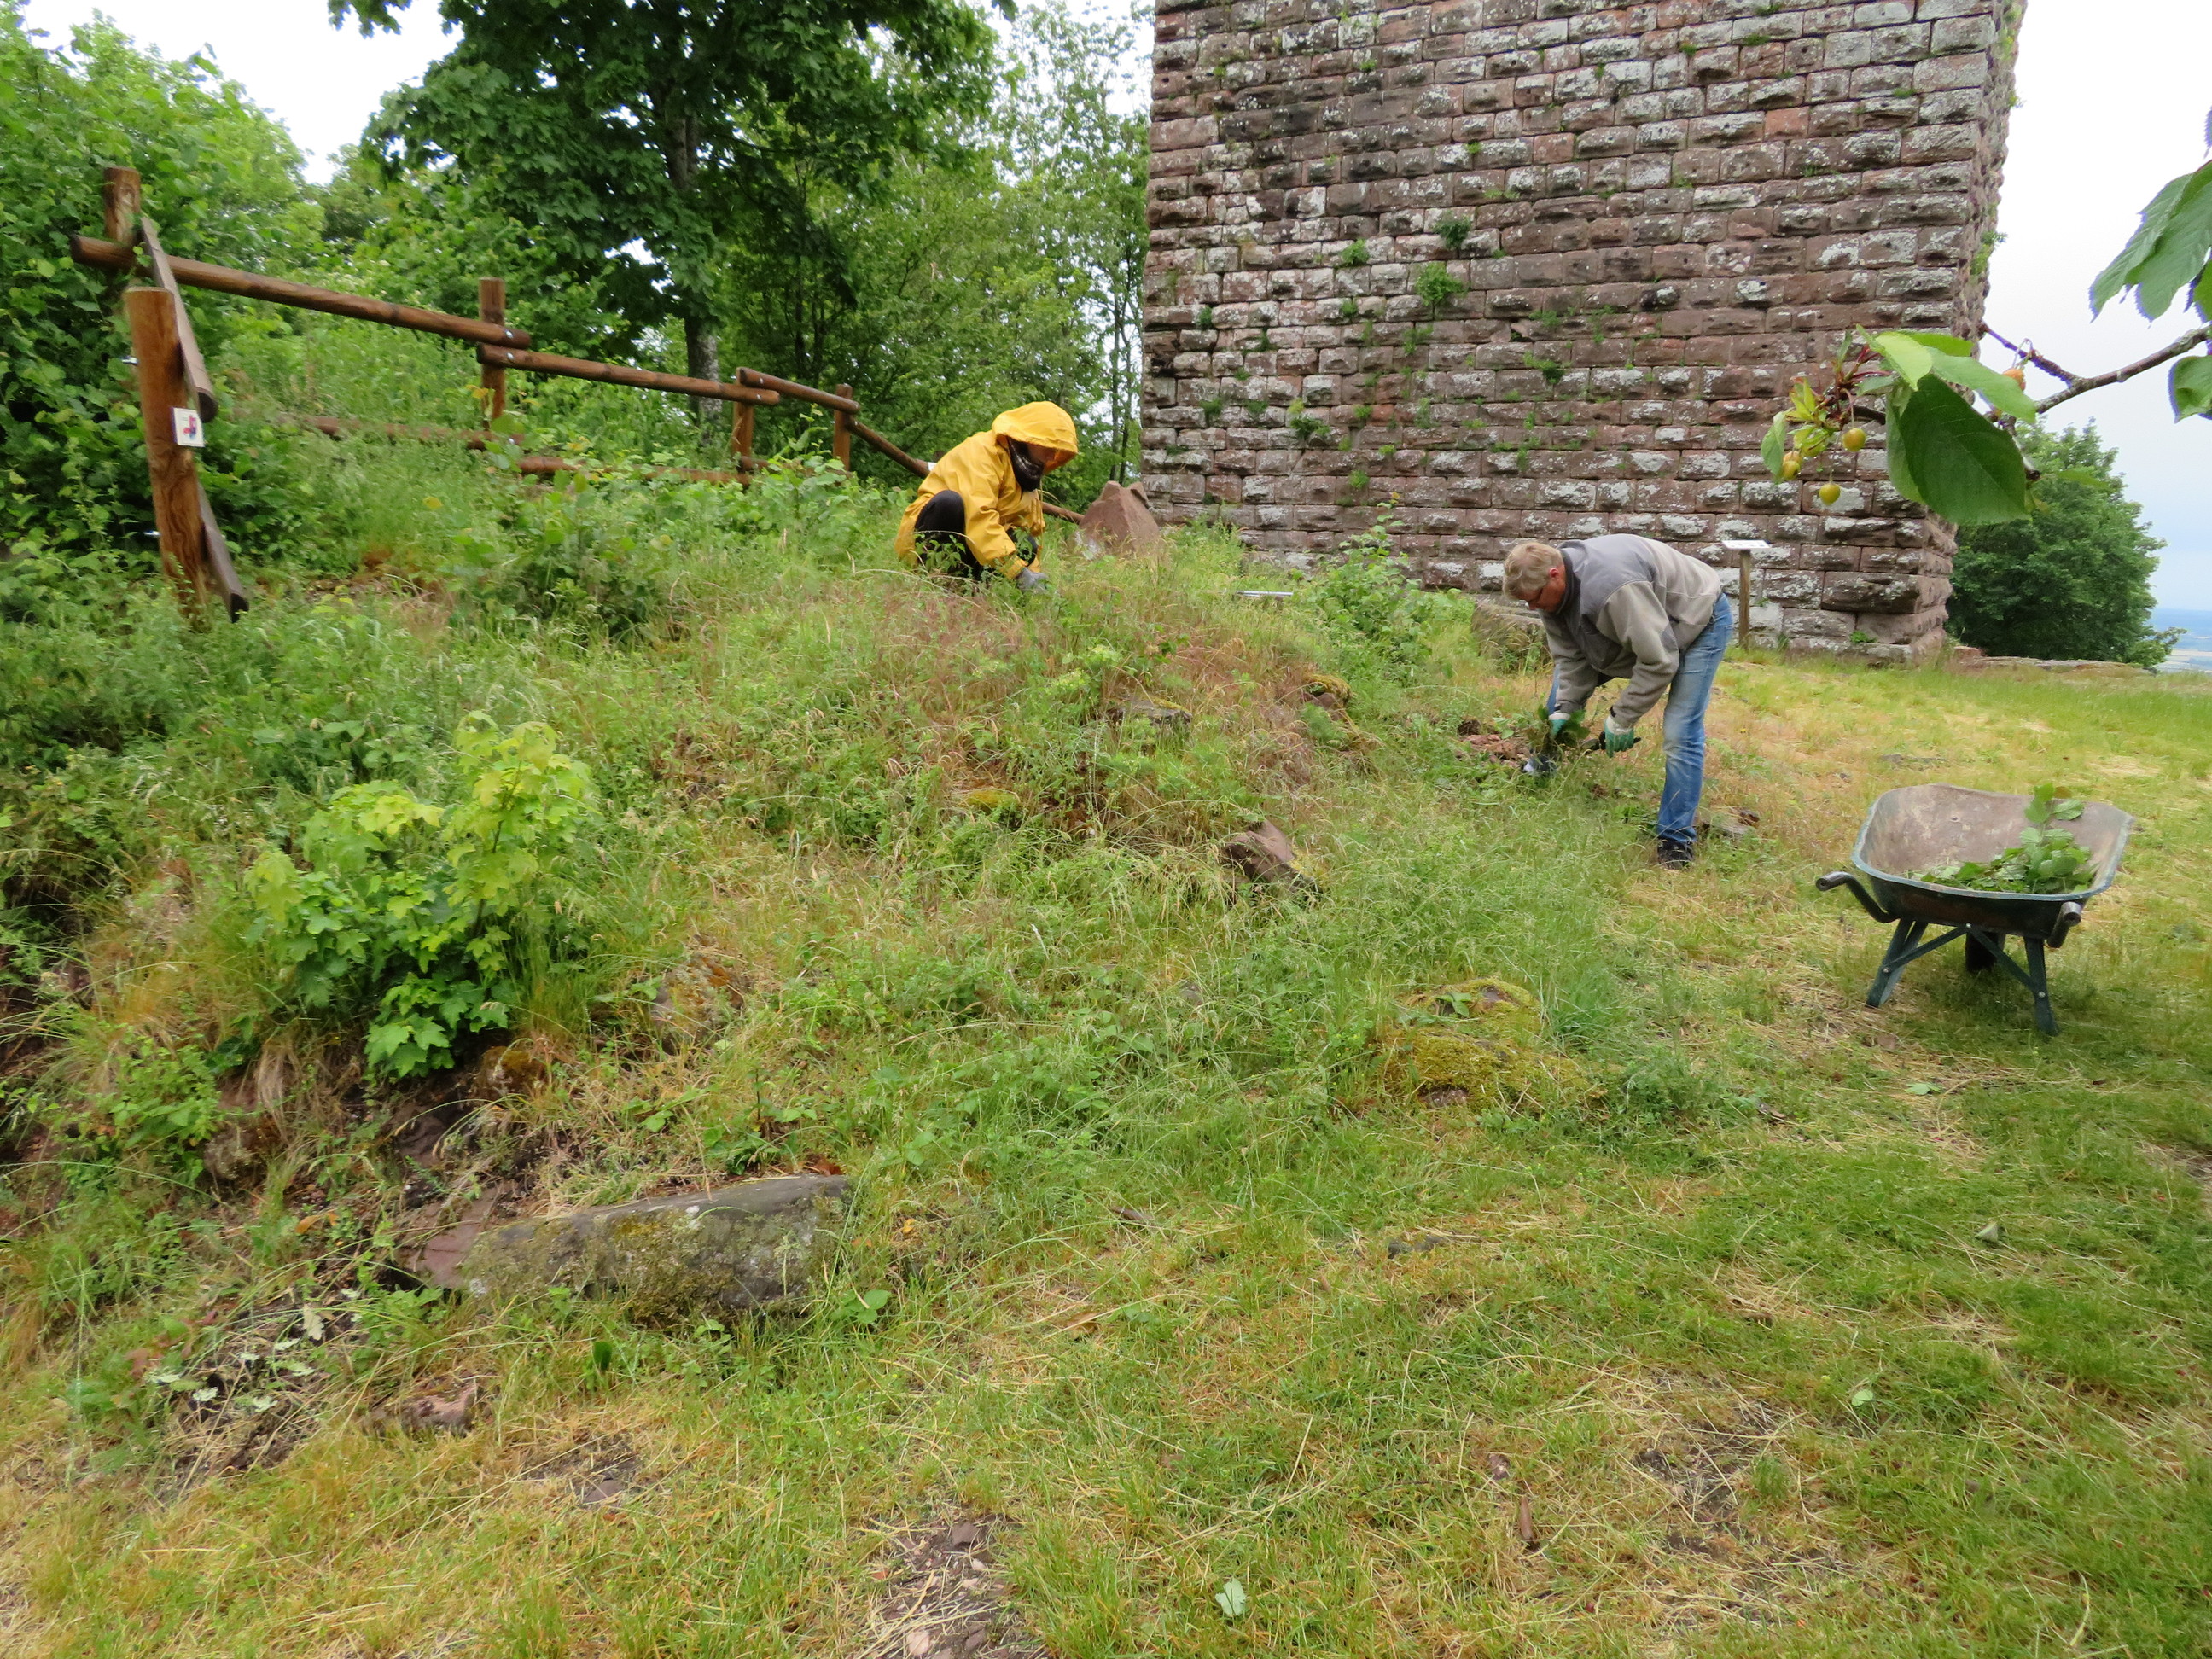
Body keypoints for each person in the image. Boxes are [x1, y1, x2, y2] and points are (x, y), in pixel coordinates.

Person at [1501, 534, 1733, 869]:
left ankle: (1675, 840)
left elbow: (1658, 661)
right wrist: (1565, 709)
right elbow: (1571, 660)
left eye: (1535, 599)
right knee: (1557, 705)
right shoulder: (1548, 592)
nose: (1533, 609)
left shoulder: (1613, 588)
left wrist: (1622, 718)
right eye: (1527, 603)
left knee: (1680, 732)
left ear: (1555, 574)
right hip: (1646, 623)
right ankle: (1541, 774)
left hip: (1697, 619)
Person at [894, 402, 1080, 591]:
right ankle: (936, 581)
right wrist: (1018, 573)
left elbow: (1029, 529)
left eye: (1058, 450)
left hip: (975, 545)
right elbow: (979, 516)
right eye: (1050, 446)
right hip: (936, 530)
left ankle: (977, 590)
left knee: (1026, 543)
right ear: (1030, 438)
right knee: (949, 503)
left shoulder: (1028, 472)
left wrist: (1034, 579)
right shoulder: (982, 453)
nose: (1053, 456)